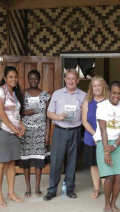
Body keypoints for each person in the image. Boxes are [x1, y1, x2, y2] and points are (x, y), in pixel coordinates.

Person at [43, 69, 87, 201]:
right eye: (68, 78)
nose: (71, 81)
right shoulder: (57, 94)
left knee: (72, 161)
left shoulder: (83, 95)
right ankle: (51, 190)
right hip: (60, 131)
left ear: (77, 80)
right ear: (65, 80)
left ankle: (70, 189)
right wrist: (58, 117)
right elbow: (49, 113)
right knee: (56, 161)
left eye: (73, 78)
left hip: (75, 131)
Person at [93, 81, 120, 212]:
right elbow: (103, 130)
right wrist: (106, 150)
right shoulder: (102, 106)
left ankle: (114, 203)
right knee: (109, 177)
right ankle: (107, 204)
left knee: (119, 176)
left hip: (118, 144)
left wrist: (115, 146)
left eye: (119, 93)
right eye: (114, 93)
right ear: (109, 92)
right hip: (104, 142)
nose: (117, 96)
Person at [0, 66, 25, 207]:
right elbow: (0, 113)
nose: (13, 79)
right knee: (1, 163)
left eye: (15, 77)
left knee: (12, 163)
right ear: (5, 78)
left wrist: (21, 125)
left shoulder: (15, 93)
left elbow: (16, 114)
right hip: (3, 131)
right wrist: (13, 128)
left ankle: (11, 193)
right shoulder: (0, 91)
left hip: (14, 132)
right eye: (10, 77)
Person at [19, 70, 51, 198]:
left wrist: (47, 133)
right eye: (31, 78)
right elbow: (16, 111)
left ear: (39, 79)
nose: (33, 81)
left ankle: (37, 187)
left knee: (39, 160)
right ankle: (28, 187)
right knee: (26, 160)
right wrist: (24, 113)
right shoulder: (22, 94)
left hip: (40, 131)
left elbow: (49, 115)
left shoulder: (45, 95)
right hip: (26, 131)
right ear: (28, 79)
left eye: (36, 79)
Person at [82, 76, 109, 199]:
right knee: (94, 164)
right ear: (91, 88)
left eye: (99, 85)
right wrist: (95, 135)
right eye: (94, 85)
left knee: (105, 163)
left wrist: (102, 137)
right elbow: (84, 121)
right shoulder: (87, 101)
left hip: (106, 138)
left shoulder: (109, 102)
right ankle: (96, 189)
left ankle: (106, 189)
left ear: (103, 86)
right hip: (91, 137)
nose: (97, 88)